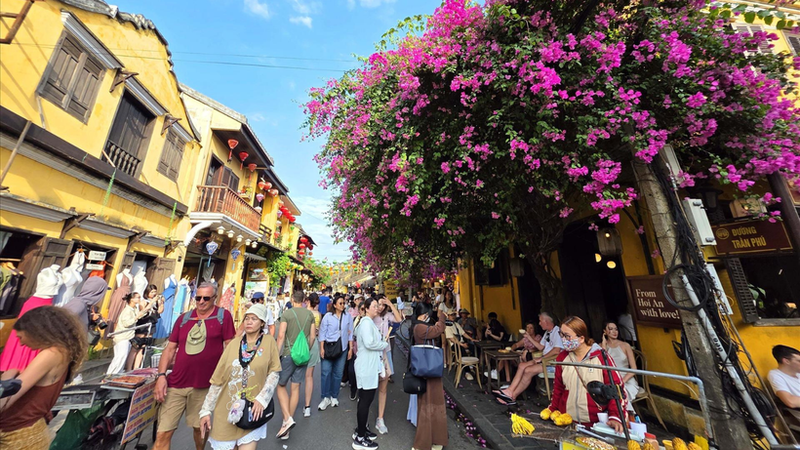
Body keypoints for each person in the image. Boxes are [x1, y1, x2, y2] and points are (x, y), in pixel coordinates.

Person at [153, 283, 236, 450]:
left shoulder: (223, 316)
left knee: (199, 430)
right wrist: (161, 376)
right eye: (198, 298)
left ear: (214, 299)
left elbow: (230, 347)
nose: (202, 302)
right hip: (176, 384)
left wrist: (229, 377)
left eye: (206, 298)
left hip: (204, 386)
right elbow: (170, 349)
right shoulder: (184, 319)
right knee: (163, 433)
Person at [0, 306, 86, 450]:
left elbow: (6, 399)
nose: (21, 343)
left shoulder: (50, 354)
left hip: (18, 434)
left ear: (36, 331)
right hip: (30, 430)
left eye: (21, 337)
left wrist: (7, 375)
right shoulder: (63, 351)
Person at [199, 304, 281, 450]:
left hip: (252, 411)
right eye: (247, 318)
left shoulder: (269, 342)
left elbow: (274, 373)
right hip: (225, 412)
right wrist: (205, 410)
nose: (249, 322)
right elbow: (217, 380)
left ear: (262, 322)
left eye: (254, 319)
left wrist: (262, 399)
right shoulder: (233, 344)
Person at [546, 316, 626, 433]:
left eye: (567, 336)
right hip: (566, 421)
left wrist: (615, 416)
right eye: (561, 335)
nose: (563, 339)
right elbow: (558, 388)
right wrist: (552, 409)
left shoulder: (601, 357)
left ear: (581, 338)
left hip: (596, 424)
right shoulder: (562, 358)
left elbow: (617, 389)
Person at [0, 267, 63, 375]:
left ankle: (28, 366)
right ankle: (14, 365)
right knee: (26, 334)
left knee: (39, 336)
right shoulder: (45, 272)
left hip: (48, 303)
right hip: (36, 302)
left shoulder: (58, 273)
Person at [493, 312, 563, 405]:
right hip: (544, 360)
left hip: (553, 362)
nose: (539, 323)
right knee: (522, 365)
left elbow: (556, 351)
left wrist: (542, 358)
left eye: (540, 321)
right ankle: (509, 391)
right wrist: (529, 337)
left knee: (528, 370)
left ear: (546, 321)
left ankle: (512, 396)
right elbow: (541, 347)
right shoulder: (547, 333)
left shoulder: (557, 332)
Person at [274, 290, 316, 440]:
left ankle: (287, 419)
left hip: (287, 353)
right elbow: (312, 336)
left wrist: (276, 355)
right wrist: (306, 349)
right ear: (304, 300)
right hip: (302, 355)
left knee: (280, 385)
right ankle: (288, 422)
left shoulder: (287, 314)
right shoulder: (310, 315)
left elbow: (281, 335)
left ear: (292, 299)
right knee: (296, 387)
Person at [353, 297, 389, 450]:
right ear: (366, 308)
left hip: (368, 365)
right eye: (374, 306)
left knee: (365, 400)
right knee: (365, 401)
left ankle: (362, 430)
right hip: (366, 366)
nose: (377, 308)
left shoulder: (368, 323)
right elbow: (369, 343)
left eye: (377, 306)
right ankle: (360, 437)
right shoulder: (366, 323)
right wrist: (383, 343)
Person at [412, 301, 448, 450]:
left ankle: (435, 439)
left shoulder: (420, 325)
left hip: (429, 368)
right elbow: (437, 330)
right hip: (428, 369)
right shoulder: (419, 327)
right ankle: (425, 442)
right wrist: (442, 318)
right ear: (425, 314)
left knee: (433, 403)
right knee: (428, 404)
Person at [319, 295, 354, 411]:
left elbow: (350, 333)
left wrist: (350, 348)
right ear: (334, 305)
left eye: (344, 303)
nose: (343, 305)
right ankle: (325, 397)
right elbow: (322, 332)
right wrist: (322, 348)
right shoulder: (328, 317)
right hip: (329, 347)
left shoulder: (347, 316)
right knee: (325, 372)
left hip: (342, 348)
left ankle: (334, 396)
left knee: (338, 374)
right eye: (340, 303)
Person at [373, 295, 402, 434]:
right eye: (379, 304)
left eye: (383, 305)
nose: (381, 307)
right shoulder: (370, 317)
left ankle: (380, 418)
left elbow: (399, 319)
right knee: (369, 388)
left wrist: (390, 303)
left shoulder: (387, 316)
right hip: (371, 355)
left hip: (384, 353)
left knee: (383, 387)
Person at [601, 321, 642, 416]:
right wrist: (604, 344)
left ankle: (628, 417)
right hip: (610, 379)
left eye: (616, 329)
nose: (614, 332)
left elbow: (634, 369)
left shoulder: (625, 345)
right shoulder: (601, 346)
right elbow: (602, 363)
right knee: (608, 392)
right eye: (610, 329)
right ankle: (618, 417)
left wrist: (622, 381)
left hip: (626, 379)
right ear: (605, 331)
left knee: (620, 392)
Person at [107, 293, 152, 375]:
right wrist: (135, 318)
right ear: (132, 299)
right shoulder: (127, 311)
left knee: (122, 358)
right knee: (120, 357)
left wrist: (146, 309)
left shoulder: (134, 308)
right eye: (138, 297)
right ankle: (110, 375)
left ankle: (116, 376)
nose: (139, 299)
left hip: (127, 337)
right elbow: (126, 323)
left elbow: (139, 315)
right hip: (122, 337)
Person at [127, 285, 164, 371]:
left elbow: (159, 311)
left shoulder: (156, 302)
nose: (154, 294)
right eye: (152, 292)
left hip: (152, 324)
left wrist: (161, 303)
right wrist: (151, 302)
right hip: (143, 324)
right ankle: (129, 368)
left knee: (143, 348)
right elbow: (143, 311)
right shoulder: (143, 301)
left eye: (155, 291)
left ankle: (136, 368)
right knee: (136, 346)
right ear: (147, 293)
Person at [302, 293, 322, 418]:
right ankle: (307, 406)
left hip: (301, 344)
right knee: (309, 376)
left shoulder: (303, 313)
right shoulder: (318, 315)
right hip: (313, 344)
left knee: (297, 377)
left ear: (308, 301)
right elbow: (317, 332)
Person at [445, 309, 478, 380]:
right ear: (448, 316)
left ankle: (473, 366)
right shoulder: (447, 325)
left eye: (454, 315)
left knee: (475, 347)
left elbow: (463, 333)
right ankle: (467, 371)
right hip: (455, 344)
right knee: (462, 350)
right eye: (451, 315)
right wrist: (462, 345)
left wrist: (472, 339)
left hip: (461, 342)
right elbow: (451, 339)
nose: (453, 316)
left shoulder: (456, 324)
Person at [769, 345, 800, 409]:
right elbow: (790, 401)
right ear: (786, 361)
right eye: (799, 361)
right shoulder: (776, 375)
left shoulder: (798, 374)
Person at [484, 312, 510, 383]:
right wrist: (487, 330)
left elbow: (499, 339)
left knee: (503, 357)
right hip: (492, 345)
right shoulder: (491, 327)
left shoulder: (500, 328)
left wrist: (491, 334)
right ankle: (489, 368)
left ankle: (494, 370)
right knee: (485, 351)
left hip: (500, 346)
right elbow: (486, 336)